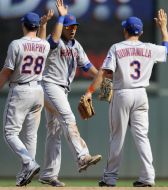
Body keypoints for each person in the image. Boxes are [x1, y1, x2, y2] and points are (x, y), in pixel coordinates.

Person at [84, 9, 168, 187]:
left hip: (122, 93)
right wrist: (163, 28)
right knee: (142, 137)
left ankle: (110, 178)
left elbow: (106, 72)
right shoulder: (149, 48)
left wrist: (93, 91)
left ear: (125, 31)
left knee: (117, 137)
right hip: (141, 95)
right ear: (141, 32)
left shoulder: (117, 47)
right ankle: (148, 177)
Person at [37, 0, 101, 187]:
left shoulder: (76, 45)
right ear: (62, 27)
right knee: (68, 117)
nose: (72, 29)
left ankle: (48, 174)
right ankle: (82, 156)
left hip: (60, 89)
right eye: (68, 26)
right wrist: (61, 16)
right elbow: (54, 40)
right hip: (49, 85)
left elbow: (88, 67)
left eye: (74, 26)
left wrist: (103, 79)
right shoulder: (54, 41)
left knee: (54, 131)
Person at [0, 12, 50, 186]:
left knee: (10, 133)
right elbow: (40, 43)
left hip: (20, 90)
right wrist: (43, 26)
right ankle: (24, 174)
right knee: (31, 136)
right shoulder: (45, 45)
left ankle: (29, 163)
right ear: (36, 27)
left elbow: (6, 71)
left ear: (24, 25)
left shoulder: (17, 44)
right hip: (38, 91)